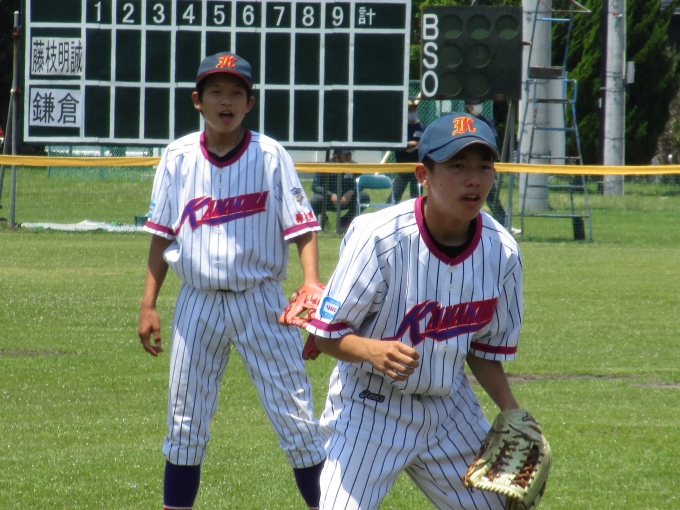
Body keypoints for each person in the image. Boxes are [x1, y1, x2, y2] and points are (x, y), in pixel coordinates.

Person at [137, 52, 326, 510]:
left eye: (236, 93)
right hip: (197, 301)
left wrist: (312, 283)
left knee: (299, 423)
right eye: (216, 92)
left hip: (261, 300)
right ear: (197, 101)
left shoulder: (270, 154)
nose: (226, 101)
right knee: (184, 425)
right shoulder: (178, 156)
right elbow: (162, 235)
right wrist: (148, 303)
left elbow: (302, 228)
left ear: (250, 103)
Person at [306, 112, 523, 509]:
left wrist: (511, 410)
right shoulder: (379, 237)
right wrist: (371, 349)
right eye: (458, 166)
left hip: (449, 411)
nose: (474, 179)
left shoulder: (502, 251)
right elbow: (326, 335)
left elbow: (483, 349)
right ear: (424, 174)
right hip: (370, 406)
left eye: (484, 166)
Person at [310, 150, 370, 229]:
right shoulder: (325, 166)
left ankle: (345, 221)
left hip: (346, 200)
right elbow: (315, 186)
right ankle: (324, 221)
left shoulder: (354, 166)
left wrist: (351, 192)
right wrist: (330, 195)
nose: (349, 157)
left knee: (364, 197)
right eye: (346, 155)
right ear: (336, 157)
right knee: (315, 200)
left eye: (350, 154)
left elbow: (361, 183)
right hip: (328, 201)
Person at [392, 96, 427, 202]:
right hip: (402, 167)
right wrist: (407, 146)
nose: (412, 112)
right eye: (409, 110)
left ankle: (415, 212)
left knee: (416, 197)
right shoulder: (400, 127)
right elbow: (394, 144)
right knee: (395, 196)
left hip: (417, 168)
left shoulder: (422, 127)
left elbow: (426, 143)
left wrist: (416, 144)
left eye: (414, 109)